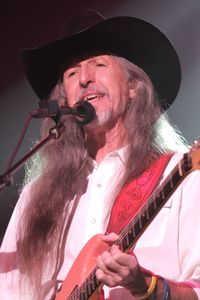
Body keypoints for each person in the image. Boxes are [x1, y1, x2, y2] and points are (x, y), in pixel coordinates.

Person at [1, 9, 200, 300]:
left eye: (99, 64)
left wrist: (148, 287)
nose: (84, 78)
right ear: (65, 100)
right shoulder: (36, 196)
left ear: (133, 86)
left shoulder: (182, 175)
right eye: (71, 73)